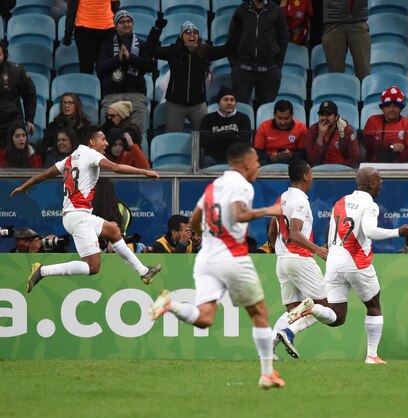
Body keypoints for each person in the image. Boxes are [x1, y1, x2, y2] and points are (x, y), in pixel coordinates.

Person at [148, 144, 286, 390]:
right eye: (256, 161)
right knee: (260, 314)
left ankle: (171, 304)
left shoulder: (215, 186)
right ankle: (267, 374)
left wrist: (204, 236)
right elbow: (239, 214)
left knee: (204, 318)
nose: (258, 166)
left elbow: (194, 219)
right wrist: (271, 210)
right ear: (244, 163)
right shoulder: (242, 185)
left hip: (206, 260)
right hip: (232, 257)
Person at [10, 126, 162, 294]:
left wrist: (25, 186)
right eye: (103, 139)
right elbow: (116, 168)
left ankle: (144, 271)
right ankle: (43, 271)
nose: (106, 143)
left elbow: (45, 174)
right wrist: (144, 172)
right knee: (92, 267)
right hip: (78, 217)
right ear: (92, 142)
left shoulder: (70, 158)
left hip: (76, 216)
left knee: (113, 231)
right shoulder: (91, 154)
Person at [289, 167, 408, 364]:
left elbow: (329, 228)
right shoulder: (370, 205)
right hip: (357, 262)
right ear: (371, 184)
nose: (381, 183)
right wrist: (398, 232)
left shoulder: (340, 201)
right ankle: (372, 356)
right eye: (379, 180)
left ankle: (312, 307)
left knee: (337, 317)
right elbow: (370, 231)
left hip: (333, 262)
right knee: (374, 306)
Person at [269, 159, 337, 359]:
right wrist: (318, 250)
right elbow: (295, 233)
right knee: (323, 307)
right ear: (306, 176)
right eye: (312, 175)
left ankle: (268, 348)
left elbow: (273, 230)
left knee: (293, 310)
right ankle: (289, 332)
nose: (312, 179)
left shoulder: (282, 198)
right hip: (300, 259)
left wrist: (279, 250)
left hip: (283, 260)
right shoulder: (300, 201)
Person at [145, 17, 230, 132]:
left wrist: (237, 28)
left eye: (195, 33)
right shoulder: (173, 51)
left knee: (201, 137)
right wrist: (157, 29)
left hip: (198, 104)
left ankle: (195, 151)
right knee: (173, 136)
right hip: (175, 104)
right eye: (188, 33)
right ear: (182, 36)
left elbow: (228, 49)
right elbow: (149, 50)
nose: (192, 35)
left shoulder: (205, 51)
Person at [96, 10, 155, 134]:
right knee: (109, 136)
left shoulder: (142, 45)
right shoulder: (107, 46)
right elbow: (100, 69)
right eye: (122, 22)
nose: (126, 24)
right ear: (116, 26)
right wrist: (118, 59)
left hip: (136, 97)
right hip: (112, 96)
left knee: (135, 137)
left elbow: (151, 66)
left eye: (129, 21)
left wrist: (130, 58)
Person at [227, 0, 289, 105]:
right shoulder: (241, 11)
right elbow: (232, 39)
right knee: (241, 110)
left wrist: (278, 65)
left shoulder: (277, 11)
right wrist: (235, 65)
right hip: (243, 70)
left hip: (269, 70)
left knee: (266, 113)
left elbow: (283, 38)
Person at [199, 86, 253, 167]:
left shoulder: (243, 118)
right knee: (206, 161)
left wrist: (216, 138)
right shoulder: (208, 119)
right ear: (218, 103)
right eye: (225, 99)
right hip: (214, 158)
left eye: (232, 100)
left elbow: (245, 142)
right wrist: (230, 134)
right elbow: (204, 141)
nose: (229, 102)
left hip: (236, 158)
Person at [362, 86, 408, 164]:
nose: (391, 109)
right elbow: (368, 143)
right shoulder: (373, 120)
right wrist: (391, 147)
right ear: (382, 108)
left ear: (401, 108)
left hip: (400, 166)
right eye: (388, 106)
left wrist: (395, 165)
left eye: (395, 106)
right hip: (374, 165)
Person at [63, 0, 118, 74]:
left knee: (86, 68)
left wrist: (68, 32)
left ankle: (88, 85)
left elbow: (72, 8)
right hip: (105, 28)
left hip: (85, 30)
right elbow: (115, 6)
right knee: (104, 67)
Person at [321, 0, 370, 80]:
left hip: (359, 20)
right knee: (335, 75)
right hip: (333, 21)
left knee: (364, 72)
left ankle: (363, 92)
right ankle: (338, 92)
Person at [0, 39, 36, 145]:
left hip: (12, 122)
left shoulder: (16, 71)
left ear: (4, 55)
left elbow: (29, 94)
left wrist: (29, 118)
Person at [306, 101, 360, 168]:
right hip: (320, 171)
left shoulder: (346, 129)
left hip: (342, 171)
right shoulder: (313, 130)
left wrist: (338, 168)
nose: (324, 118)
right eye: (322, 114)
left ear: (336, 117)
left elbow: (354, 158)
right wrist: (320, 136)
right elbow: (313, 161)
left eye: (328, 115)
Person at [254, 100, 308, 166]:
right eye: (279, 118)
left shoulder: (301, 127)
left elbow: (304, 153)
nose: (282, 122)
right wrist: (269, 157)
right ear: (274, 115)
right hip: (269, 162)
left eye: (286, 118)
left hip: (292, 162)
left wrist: (292, 155)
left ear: (292, 115)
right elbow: (257, 152)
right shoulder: (264, 126)